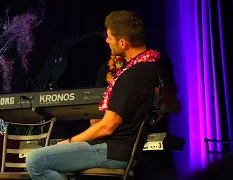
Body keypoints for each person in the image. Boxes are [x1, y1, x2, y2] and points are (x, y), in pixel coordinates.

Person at [26, 10, 161, 180]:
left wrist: (70, 142)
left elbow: (107, 126)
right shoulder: (148, 68)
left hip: (114, 150)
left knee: (36, 160)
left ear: (123, 43)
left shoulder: (133, 75)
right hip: (116, 147)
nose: (107, 41)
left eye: (110, 38)